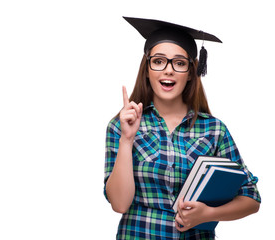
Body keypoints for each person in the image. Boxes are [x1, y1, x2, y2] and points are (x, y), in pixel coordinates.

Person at [104, 16, 261, 239]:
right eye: (158, 61)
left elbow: (251, 198)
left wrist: (208, 214)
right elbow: (119, 204)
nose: (168, 70)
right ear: (147, 69)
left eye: (179, 63)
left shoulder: (214, 130)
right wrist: (126, 139)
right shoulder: (121, 125)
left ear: (190, 73)